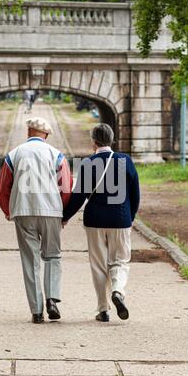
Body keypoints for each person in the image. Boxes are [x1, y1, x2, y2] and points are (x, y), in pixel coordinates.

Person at [0, 117, 72, 323]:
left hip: (23, 210)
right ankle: (52, 299)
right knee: (52, 256)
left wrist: (8, 210)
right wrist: (62, 213)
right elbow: (66, 188)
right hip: (51, 211)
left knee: (30, 262)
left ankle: (37, 311)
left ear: (28, 132)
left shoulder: (14, 155)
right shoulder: (56, 155)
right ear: (45, 135)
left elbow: (2, 188)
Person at [63, 123, 140, 322]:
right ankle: (118, 290)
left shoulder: (88, 163)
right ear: (112, 139)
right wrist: (129, 218)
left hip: (95, 220)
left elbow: (79, 196)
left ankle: (103, 309)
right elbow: (135, 195)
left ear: (94, 141)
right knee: (120, 261)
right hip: (120, 218)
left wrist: (64, 217)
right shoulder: (126, 161)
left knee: (98, 265)